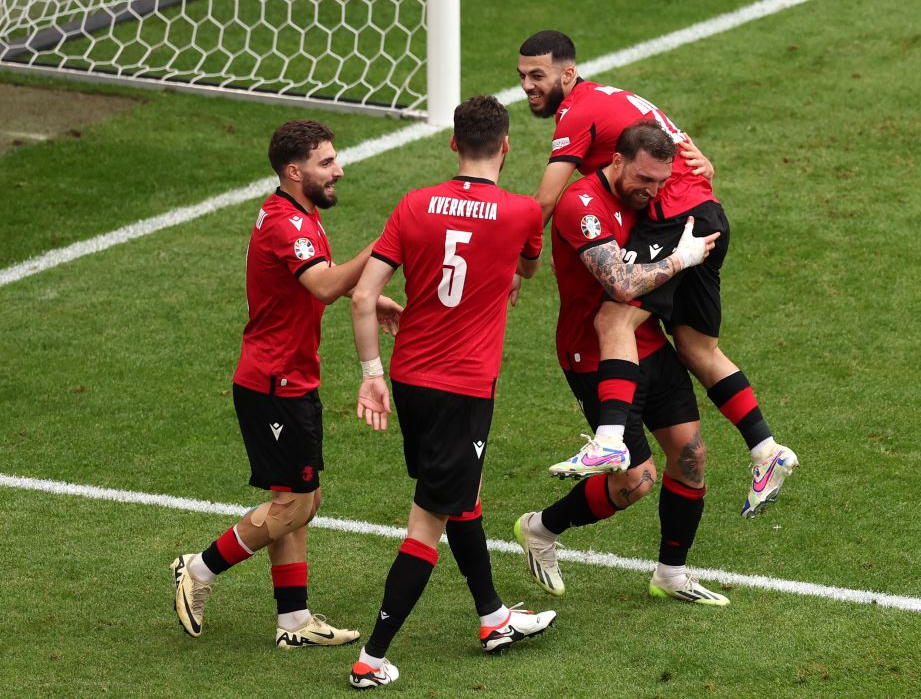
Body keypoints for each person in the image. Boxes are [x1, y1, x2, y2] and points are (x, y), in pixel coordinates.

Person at [517, 30, 799, 518]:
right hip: (707, 214)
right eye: (521, 76)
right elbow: (684, 154)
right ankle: (766, 450)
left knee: (614, 318)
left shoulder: (578, 111)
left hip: (677, 221)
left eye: (537, 76)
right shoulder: (617, 98)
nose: (526, 86)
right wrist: (703, 170)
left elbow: (545, 199)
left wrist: (522, 261)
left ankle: (608, 439)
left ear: (568, 74)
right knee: (695, 347)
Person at [346, 95, 555, 690]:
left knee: (462, 493)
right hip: (463, 389)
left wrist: (371, 373)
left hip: (411, 379)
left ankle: (492, 618)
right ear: (507, 145)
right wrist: (507, 272)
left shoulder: (413, 204)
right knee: (428, 519)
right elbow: (529, 269)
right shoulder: (520, 215)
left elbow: (364, 297)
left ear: (453, 144)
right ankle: (372, 657)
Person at [171, 120, 402, 648]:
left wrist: (365, 296)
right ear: (295, 171)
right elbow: (321, 284)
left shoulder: (298, 213)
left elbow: (312, 278)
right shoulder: (288, 224)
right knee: (295, 504)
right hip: (273, 382)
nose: (338, 169)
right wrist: (385, 247)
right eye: (326, 162)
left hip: (288, 376)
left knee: (299, 499)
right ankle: (199, 568)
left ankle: (293, 622)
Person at [515, 121, 730, 606]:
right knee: (636, 480)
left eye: (660, 182)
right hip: (593, 353)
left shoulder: (652, 184)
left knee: (691, 457)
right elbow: (622, 284)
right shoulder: (581, 205)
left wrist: (706, 171)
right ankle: (541, 529)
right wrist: (683, 259)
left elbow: (692, 187)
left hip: (646, 339)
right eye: (643, 181)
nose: (652, 192)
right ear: (616, 162)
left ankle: (672, 574)